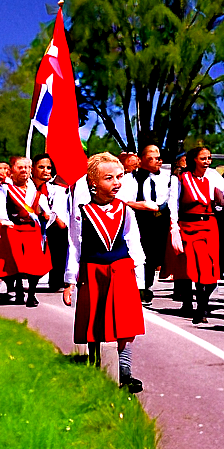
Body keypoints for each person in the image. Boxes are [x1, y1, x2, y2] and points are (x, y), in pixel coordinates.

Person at [63, 153, 146, 391]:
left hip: (121, 270)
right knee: (94, 319)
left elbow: (133, 239)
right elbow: (74, 244)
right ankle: (94, 363)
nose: (116, 183)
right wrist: (70, 280)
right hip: (94, 271)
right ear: (93, 183)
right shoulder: (82, 212)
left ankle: (125, 371)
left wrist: (137, 273)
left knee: (125, 321)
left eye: (119, 177)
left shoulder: (125, 210)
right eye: (108, 178)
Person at [167, 145, 224, 324]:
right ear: (194, 159)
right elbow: (173, 204)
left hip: (210, 225)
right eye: (203, 158)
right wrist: (175, 229)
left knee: (211, 272)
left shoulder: (213, 175)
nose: (207, 162)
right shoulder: (180, 178)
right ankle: (201, 308)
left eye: (209, 158)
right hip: (189, 225)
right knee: (198, 267)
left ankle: (203, 303)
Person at [0, 156, 52, 306]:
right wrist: (5, 221)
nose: (24, 171)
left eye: (27, 167)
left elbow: (46, 209)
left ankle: (31, 293)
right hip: (14, 228)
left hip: (32, 229)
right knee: (16, 262)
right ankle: (18, 288)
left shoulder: (35, 190)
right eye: (20, 167)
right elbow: (0, 209)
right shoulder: (5, 189)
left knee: (35, 263)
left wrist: (46, 215)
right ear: (11, 171)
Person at [123, 144, 171, 305]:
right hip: (138, 219)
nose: (157, 161)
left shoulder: (166, 178)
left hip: (158, 220)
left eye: (158, 158)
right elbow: (125, 200)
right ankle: (138, 288)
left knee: (152, 256)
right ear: (141, 159)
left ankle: (147, 285)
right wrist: (142, 205)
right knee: (137, 253)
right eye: (152, 158)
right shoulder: (131, 178)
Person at [31, 153, 71, 292]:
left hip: (55, 226)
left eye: (48, 167)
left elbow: (62, 208)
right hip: (34, 222)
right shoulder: (29, 186)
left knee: (60, 235)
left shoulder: (58, 187)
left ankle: (57, 279)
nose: (45, 170)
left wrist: (57, 218)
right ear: (33, 168)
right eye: (41, 167)